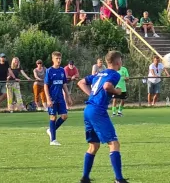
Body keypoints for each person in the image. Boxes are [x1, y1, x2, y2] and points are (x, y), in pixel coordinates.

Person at [77, 50, 128, 183]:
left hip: (88, 109)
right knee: (114, 143)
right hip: (98, 111)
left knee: (94, 145)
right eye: (121, 60)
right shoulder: (115, 74)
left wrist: (91, 95)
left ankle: (85, 177)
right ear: (118, 62)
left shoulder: (98, 73)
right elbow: (107, 86)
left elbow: (81, 82)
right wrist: (117, 91)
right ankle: (119, 179)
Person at [44, 51, 73, 145]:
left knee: (64, 116)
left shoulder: (62, 70)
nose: (58, 60)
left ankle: (50, 130)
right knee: (53, 117)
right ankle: (53, 140)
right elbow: (45, 86)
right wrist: (48, 98)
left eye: (60, 58)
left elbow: (64, 84)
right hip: (52, 98)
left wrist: (68, 96)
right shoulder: (49, 71)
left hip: (60, 98)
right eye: (56, 58)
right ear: (53, 59)